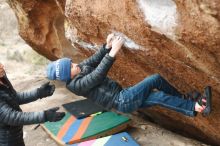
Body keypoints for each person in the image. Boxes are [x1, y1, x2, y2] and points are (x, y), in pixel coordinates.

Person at [47, 33, 212, 117]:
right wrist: (113, 53)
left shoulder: (79, 69)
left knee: (160, 96)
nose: (75, 64)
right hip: (121, 100)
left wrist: (107, 45)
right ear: (67, 75)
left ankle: (188, 102)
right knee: (154, 79)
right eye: (70, 66)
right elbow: (97, 75)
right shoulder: (76, 85)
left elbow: (93, 60)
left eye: (71, 62)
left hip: (123, 96)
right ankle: (195, 107)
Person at [0, 63, 65, 146]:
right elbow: (11, 117)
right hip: (5, 140)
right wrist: (45, 116)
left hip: (15, 133)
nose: (2, 65)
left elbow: (14, 98)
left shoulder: (2, 77)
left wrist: (38, 93)